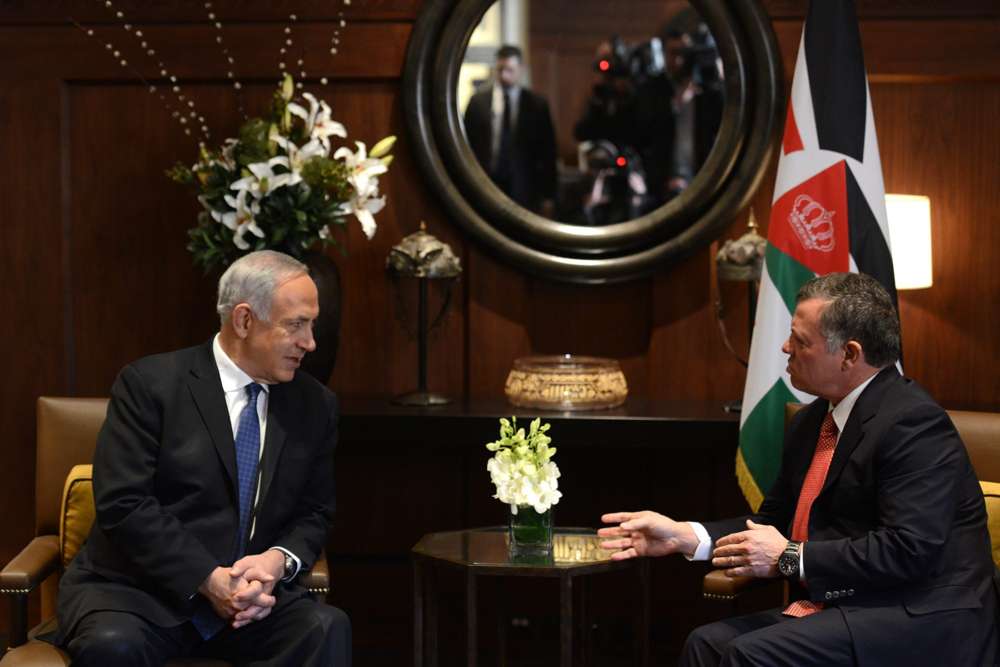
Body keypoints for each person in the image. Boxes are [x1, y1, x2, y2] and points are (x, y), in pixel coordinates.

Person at [600, 272, 997, 666]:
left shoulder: (912, 423)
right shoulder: (812, 422)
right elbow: (775, 523)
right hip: (853, 606)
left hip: (923, 615)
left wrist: (791, 556)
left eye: (801, 341)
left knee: (748, 654)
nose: (785, 347)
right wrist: (685, 536)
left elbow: (907, 550)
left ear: (850, 354)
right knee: (706, 644)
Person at [56, 250, 350, 667]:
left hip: (251, 605)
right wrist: (208, 579)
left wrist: (277, 561)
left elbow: (315, 512)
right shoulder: (150, 385)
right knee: (113, 645)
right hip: (142, 596)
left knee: (324, 628)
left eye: (312, 325)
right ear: (244, 320)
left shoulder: (314, 405)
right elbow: (125, 504)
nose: (310, 343)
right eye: (295, 325)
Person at [463, 44, 558, 216]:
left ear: (520, 69)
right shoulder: (478, 103)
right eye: (500, 69)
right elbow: (467, 146)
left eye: (510, 70)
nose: (504, 75)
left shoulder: (537, 105)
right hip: (486, 184)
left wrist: (549, 196)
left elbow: (548, 152)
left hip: (525, 189)